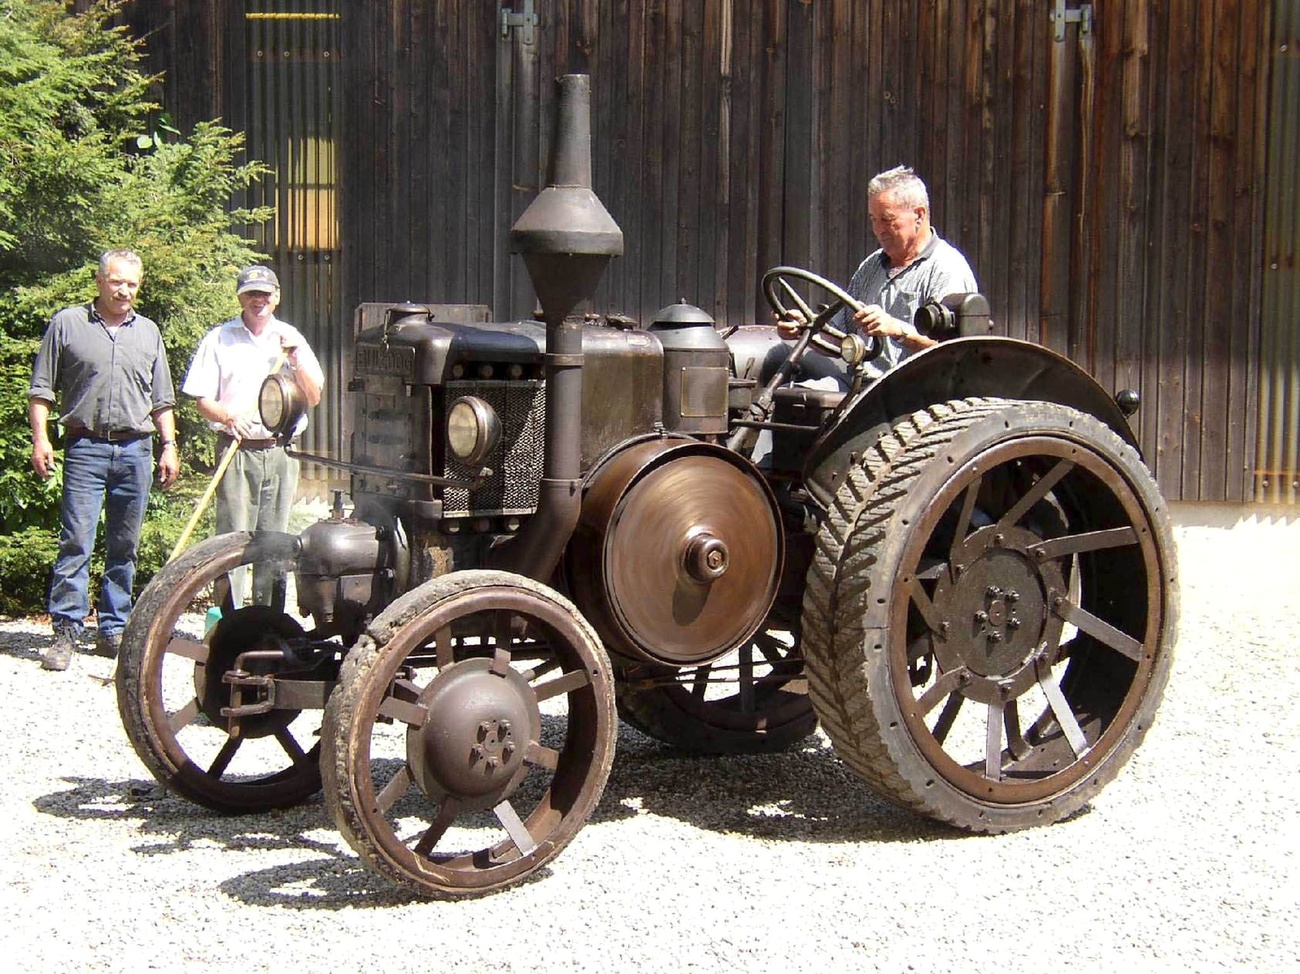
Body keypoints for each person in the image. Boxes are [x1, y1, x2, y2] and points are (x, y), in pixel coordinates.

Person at [28, 249, 179, 671]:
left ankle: (113, 628)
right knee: (76, 541)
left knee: (124, 545)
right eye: (116, 281)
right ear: (99, 281)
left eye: (131, 283)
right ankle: (66, 631)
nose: (124, 290)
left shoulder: (148, 332)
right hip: (85, 448)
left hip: (136, 451)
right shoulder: (68, 324)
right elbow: (41, 390)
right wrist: (41, 440)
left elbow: (162, 399)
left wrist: (169, 445)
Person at [181, 265, 323, 606]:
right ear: (240, 298)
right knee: (231, 538)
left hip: (281, 451)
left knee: (275, 539)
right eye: (251, 294)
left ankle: (268, 617)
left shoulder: (290, 338)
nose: (258, 300)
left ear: (277, 297)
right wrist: (228, 416)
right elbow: (202, 400)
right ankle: (229, 618)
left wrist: (296, 359)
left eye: (265, 294)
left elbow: (314, 395)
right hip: (236, 449)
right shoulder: (219, 338)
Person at [778, 165, 978, 383]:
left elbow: (954, 354)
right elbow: (838, 338)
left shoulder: (946, 270)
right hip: (860, 385)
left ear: (919, 215)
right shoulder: (872, 266)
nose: (878, 229)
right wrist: (806, 328)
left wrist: (897, 330)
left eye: (887, 219)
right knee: (791, 398)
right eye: (873, 219)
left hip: (916, 391)